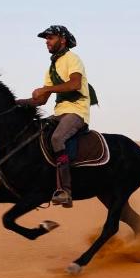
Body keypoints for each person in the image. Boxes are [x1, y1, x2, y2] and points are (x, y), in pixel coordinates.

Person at [21, 24, 93, 207]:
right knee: (34, 133)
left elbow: (75, 84)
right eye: (46, 38)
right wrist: (15, 103)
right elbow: (41, 100)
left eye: (50, 38)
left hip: (76, 112)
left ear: (63, 39)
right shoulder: (51, 68)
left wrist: (47, 88)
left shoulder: (72, 59)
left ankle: (66, 191)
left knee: (57, 138)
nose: (47, 42)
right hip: (59, 113)